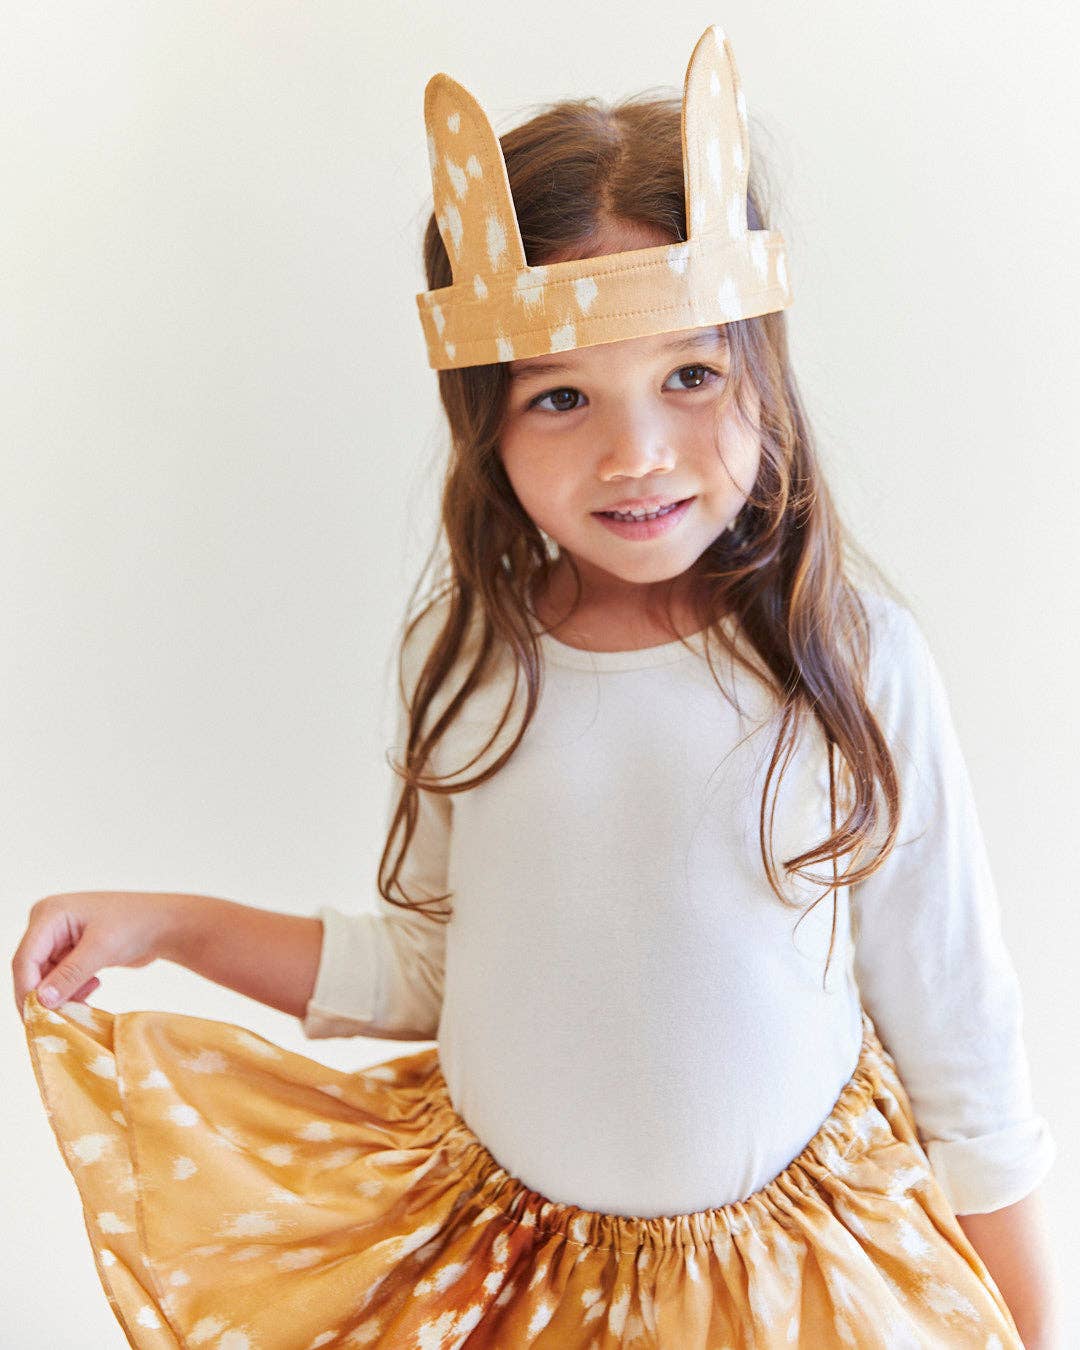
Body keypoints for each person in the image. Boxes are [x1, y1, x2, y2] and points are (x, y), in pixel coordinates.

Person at [13, 23, 1063, 1350]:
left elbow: (961, 1037)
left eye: (688, 376)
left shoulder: (846, 663)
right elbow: (435, 964)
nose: (636, 452)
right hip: (521, 1288)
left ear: (760, 375)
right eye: (560, 397)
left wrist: (1033, 1322)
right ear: (484, 426)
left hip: (789, 1293)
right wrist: (172, 924)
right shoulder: (471, 668)